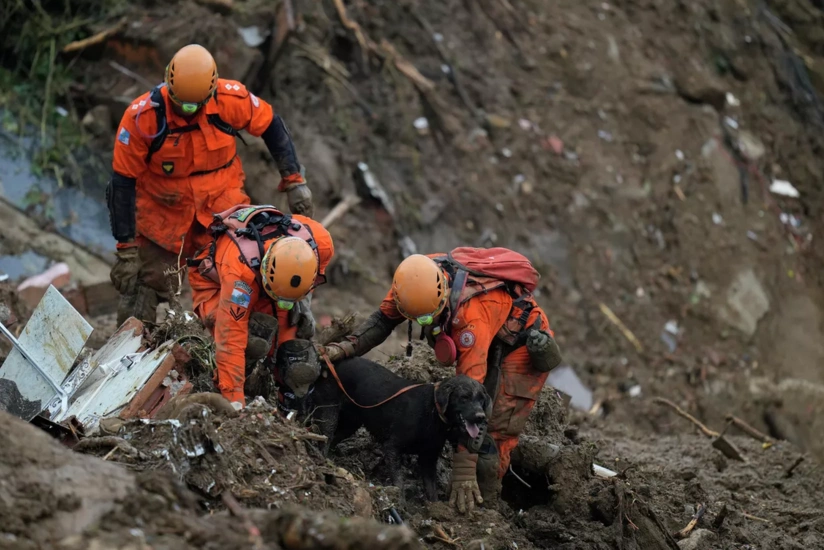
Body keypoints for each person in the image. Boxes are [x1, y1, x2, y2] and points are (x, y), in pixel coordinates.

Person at [322, 248, 562, 513]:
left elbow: (470, 388)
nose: (423, 323)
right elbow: (381, 322)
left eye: (427, 319)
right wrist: (342, 349)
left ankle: (486, 508)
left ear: (443, 296)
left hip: (520, 345)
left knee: (493, 428)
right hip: (488, 329)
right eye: (415, 319)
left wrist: (464, 471)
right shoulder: (412, 282)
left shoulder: (471, 315)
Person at [107, 43, 314, 327]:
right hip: (163, 214)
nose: (187, 111)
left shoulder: (231, 100)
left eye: (195, 106)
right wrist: (126, 248)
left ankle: (256, 335)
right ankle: (131, 345)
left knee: (245, 272)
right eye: (181, 104)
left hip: (223, 207)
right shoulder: (142, 118)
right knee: (143, 284)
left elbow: (272, 126)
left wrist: (294, 181)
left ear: (211, 92)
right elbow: (122, 182)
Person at [188, 205, 334, 409]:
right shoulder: (240, 277)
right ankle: (233, 385)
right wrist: (234, 404)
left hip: (276, 289)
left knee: (294, 359)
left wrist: (303, 303)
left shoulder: (321, 244)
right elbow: (230, 340)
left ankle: (289, 409)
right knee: (253, 339)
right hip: (217, 285)